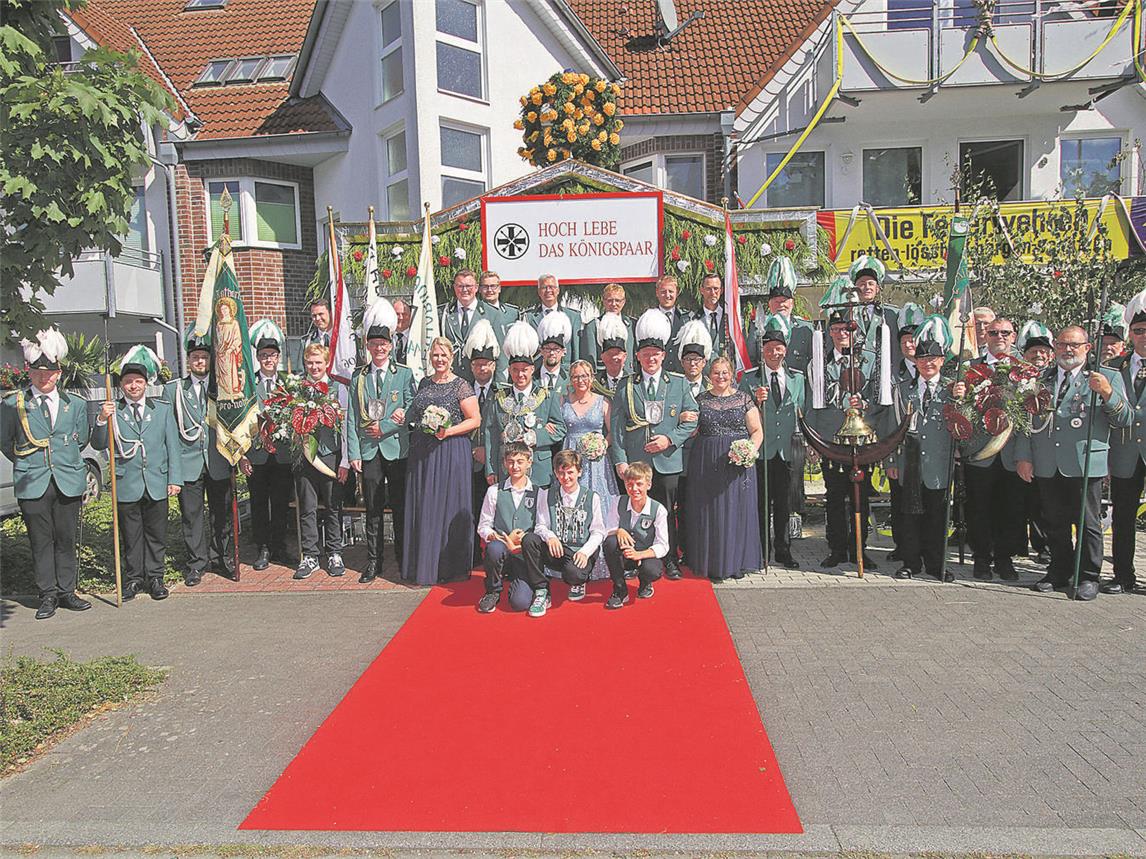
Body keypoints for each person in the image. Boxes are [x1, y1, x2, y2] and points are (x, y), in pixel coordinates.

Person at [1015, 325, 1130, 600]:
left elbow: (1124, 418)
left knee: (1088, 522)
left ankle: (1088, 575)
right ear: (1054, 347)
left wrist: (1106, 393)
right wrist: (1024, 456)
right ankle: (1059, 571)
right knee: (1054, 522)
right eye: (1063, 344)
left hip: (1084, 462)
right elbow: (1024, 422)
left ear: (1087, 348)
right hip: (1048, 461)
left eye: (1075, 345)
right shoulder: (1041, 378)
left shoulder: (1107, 377)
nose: (1068, 350)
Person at [0, 329, 92, 619]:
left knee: (66, 538)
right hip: (33, 480)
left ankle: (67, 591)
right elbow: (5, 441)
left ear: (59, 372)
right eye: (38, 372)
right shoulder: (13, 404)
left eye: (49, 372)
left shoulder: (74, 404)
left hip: (67, 479)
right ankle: (48, 595)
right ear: (29, 372)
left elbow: (82, 439)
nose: (44, 377)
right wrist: (27, 462)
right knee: (41, 541)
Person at [609, 308, 699, 580]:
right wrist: (621, 461)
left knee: (667, 512)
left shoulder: (679, 384)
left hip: (668, 461)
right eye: (645, 354)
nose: (651, 359)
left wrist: (669, 439)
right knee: (633, 512)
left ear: (663, 356)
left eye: (656, 354)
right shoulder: (626, 385)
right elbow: (616, 428)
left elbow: (692, 421)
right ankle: (633, 559)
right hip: (637, 463)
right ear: (637, 356)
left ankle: (669, 559)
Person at [92, 346, 182, 601]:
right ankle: (133, 579)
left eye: (138, 381)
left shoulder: (161, 409)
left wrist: (174, 479)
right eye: (129, 382)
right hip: (127, 482)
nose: (133, 386)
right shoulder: (113, 410)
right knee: (131, 536)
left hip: (155, 480)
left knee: (156, 534)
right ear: (122, 385)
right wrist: (101, 419)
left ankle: (155, 577)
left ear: (145, 384)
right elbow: (99, 443)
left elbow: (172, 445)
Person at [403, 336, 483, 585]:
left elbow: (475, 420)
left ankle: (448, 566)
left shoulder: (461, 385)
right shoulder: (425, 383)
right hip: (423, 452)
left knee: (446, 505)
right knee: (425, 504)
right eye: (435, 355)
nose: (439, 360)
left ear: (451, 358)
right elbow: (414, 413)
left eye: (443, 356)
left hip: (450, 451)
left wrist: (448, 430)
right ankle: (425, 565)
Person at [884, 317, 959, 582]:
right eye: (923, 359)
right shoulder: (903, 390)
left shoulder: (953, 391)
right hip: (909, 464)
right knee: (909, 517)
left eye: (933, 359)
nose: (928, 363)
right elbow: (893, 428)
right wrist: (890, 461)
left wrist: (962, 402)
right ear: (915, 362)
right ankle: (911, 562)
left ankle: (937, 564)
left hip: (939, 464)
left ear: (941, 361)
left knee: (938, 518)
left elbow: (962, 428)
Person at [348, 299, 415, 583]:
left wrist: (385, 426)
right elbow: (351, 416)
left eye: (383, 344)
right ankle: (374, 561)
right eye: (374, 344)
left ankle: (402, 559)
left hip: (396, 448)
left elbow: (412, 407)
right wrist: (353, 452)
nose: (379, 349)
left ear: (391, 345)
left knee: (399, 506)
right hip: (368, 450)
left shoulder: (404, 374)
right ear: (368, 347)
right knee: (372, 508)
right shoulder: (359, 377)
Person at [806, 308, 879, 569]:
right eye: (836, 330)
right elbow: (811, 402)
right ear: (830, 333)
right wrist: (811, 440)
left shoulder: (867, 362)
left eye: (846, 330)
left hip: (861, 441)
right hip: (831, 440)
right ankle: (836, 547)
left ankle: (860, 548)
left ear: (854, 332)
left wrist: (866, 403)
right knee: (835, 496)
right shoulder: (819, 363)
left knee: (861, 496)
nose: (841, 335)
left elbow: (880, 397)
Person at [686, 356, 764, 581]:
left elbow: (757, 430)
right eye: (716, 372)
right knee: (710, 511)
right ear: (709, 376)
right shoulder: (699, 399)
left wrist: (750, 449)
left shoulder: (744, 399)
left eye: (724, 372)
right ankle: (713, 563)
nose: (720, 377)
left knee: (736, 510)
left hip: (737, 463)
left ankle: (736, 562)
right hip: (707, 461)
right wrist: (684, 416)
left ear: (732, 374)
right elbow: (691, 429)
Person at [168, 327, 233, 584]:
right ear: (188, 360)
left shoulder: (223, 387)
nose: (199, 361)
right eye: (195, 357)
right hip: (188, 463)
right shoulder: (174, 391)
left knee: (222, 514)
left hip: (217, 460)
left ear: (210, 359)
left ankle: (221, 558)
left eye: (204, 357)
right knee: (192, 516)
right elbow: (171, 434)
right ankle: (197, 563)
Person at [962, 316, 1025, 581]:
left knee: (1010, 509)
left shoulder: (1026, 371)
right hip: (980, 452)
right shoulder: (971, 370)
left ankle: (1004, 558)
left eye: (1005, 333)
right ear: (985, 336)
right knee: (978, 508)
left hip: (1012, 453)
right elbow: (960, 410)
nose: (1000, 337)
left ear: (1014, 336)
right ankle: (981, 558)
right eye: (994, 332)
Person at [743, 314, 804, 569]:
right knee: (760, 504)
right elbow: (741, 414)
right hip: (762, 451)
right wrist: (755, 399)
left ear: (785, 350)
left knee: (783, 502)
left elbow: (802, 413)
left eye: (778, 349)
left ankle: (783, 549)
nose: (774, 353)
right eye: (769, 349)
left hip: (786, 451)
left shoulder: (797, 378)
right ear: (763, 351)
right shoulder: (750, 379)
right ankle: (762, 550)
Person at [522, 449, 608, 616]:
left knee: (573, 575)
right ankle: (541, 590)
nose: (566, 477)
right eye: (561, 473)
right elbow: (540, 525)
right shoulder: (547, 495)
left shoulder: (592, 497)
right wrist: (550, 537)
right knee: (529, 539)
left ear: (579, 472)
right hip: (557, 549)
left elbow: (598, 531)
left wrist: (585, 552)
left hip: (579, 551)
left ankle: (579, 580)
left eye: (570, 472)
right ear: (555, 473)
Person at [485, 322, 566, 489]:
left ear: (531, 369)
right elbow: (491, 434)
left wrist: (536, 436)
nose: (520, 374)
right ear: (509, 371)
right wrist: (491, 468)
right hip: (507, 469)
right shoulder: (500, 397)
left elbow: (560, 429)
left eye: (524, 370)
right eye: (515, 370)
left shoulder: (546, 396)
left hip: (538, 470)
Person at [292, 344, 348, 580]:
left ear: (326, 363)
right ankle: (311, 555)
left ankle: (335, 552)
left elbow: (346, 426)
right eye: (309, 363)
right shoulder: (296, 389)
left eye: (318, 363)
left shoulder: (338, 389)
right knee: (308, 507)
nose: (314, 367)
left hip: (329, 454)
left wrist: (345, 459)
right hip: (303, 456)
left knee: (333, 506)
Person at [239, 320, 293, 571]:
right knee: (259, 502)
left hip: (282, 455)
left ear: (278, 356)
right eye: (263, 355)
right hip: (258, 454)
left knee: (281, 502)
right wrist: (242, 455)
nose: (268, 359)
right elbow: (239, 422)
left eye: (271, 355)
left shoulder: (289, 382)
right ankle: (262, 548)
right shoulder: (248, 385)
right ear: (257, 358)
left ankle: (279, 547)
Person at [1106, 292, 1146, 595]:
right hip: (1123, 452)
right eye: (1138, 330)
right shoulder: (1113, 366)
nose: (1144, 336)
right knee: (1122, 517)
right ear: (1129, 333)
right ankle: (1123, 575)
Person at [561, 360, 616, 579]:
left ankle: (601, 560)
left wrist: (603, 443)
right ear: (570, 379)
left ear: (592, 377)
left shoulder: (604, 402)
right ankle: (571, 558)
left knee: (599, 506)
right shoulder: (562, 401)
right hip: (570, 459)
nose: (580, 380)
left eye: (584, 376)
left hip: (596, 464)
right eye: (576, 377)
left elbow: (612, 433)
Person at [475, 442, 537, 613]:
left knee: (520, 604)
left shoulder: (539, 492)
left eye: (520, 461)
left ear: (529, 462)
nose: (515, 466)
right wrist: (502, 538)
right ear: (504, 463)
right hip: (501, 548)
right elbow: (483, 526)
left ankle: (525, 581)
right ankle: (493, 590)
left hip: (524, 555)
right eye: (510, 462)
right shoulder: (494, 491)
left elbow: (541, 527)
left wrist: (523, 540)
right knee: (494, 548)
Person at [603, 461, 669, 608]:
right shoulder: (618, 501)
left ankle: (645, 582)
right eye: (629, 484)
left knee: (651, 570)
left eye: (639, 484)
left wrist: (640, 555)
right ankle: (620, 589)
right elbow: (606, 529)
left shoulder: (658, 510)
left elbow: (663, 546)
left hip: (645, 555)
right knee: (610, 542)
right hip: (624, 554)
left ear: (649, 485)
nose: (634, 489)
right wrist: (618, 530)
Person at [676, 320, 712, 567]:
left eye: (697, 360)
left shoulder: (713, 387)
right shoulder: (674, 386)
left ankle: (701, 550)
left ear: (704, 362)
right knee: (680, 506)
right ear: (682, 362)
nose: (692, 364)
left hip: (703, 455)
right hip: (678, 455)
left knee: (701, 506)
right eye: (688, 359)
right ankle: (682, 550)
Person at [1019, 320, 1054, 565]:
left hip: (1048, 450)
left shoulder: (1055, 378)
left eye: (1043, 351)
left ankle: (1045, 547)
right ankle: (1019, 544)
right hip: (1019, 449)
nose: (1038, 356)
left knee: (1046, 503)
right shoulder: (1015, 378)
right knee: (1023, 502)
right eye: (1033, 352)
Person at [466, 319, 500, 560]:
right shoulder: (462, 390)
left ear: (494, 365)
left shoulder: (502, 392)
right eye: (477, 364)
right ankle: (470, 555)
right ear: (471, 366)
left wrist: (488, 454)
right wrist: (471, 451)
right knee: (469, 508)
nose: (482, 369)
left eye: (486, 364)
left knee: (495, 511)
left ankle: (495, 554)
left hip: (493, 462)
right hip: (467, 461)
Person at [440, 269, 497, 380]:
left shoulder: (492, 313)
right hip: (451, 379)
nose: (465, 290)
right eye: (460, 286)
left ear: (476, 288)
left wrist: (499, 383)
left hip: (480, 381)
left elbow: (500, 354)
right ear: (454, 288)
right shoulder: (443, 313)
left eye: (468, 286)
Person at [524, 273, 582, 370]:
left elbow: (576, 348)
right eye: (544, 287)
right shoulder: (528, 317)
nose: (548, 290)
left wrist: (575, 370)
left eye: (552, 287)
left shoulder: (573, 317)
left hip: (565, 373)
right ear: (539, 292)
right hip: (537, 372)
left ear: (558, 290)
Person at [581, 284, 634, 373]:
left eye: (617, 300)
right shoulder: (593, 326)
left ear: (623, 302)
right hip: (603, 378)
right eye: (610, 300)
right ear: (603, 301)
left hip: (627, 377)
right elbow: (590, 360)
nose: (614, 304)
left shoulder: (631, 324)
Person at [652, 275, 690, 374]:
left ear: (677, 293)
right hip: (658, 373)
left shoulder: (687, 318)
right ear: (657, 293)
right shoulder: (649, 318)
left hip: (680, 374)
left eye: (671, 291)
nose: (667, 295)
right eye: (663, 292)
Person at [591, 312, 630, 396]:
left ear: (625, 356)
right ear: (602, 357)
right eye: (609, 354)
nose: (614, 357)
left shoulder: (633, 382)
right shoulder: (594, 384)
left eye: (618, 353)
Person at [694, 274, 730, 363]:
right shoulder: (693, 319)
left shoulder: (729, 317)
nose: (713, 293)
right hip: (702, 373)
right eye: (708, 289)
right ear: (701, 290)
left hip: (725, 373)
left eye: (716, 288)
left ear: (721, 290)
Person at [536, 311, 571, 396]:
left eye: (556, 349)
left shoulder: (570, 380)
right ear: (541, 351)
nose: (551, 353)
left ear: (563, 352)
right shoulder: (531, 379)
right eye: (547, 348)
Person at [392, 299, 413, 364]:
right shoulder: (385, 337)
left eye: (404, 314)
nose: (401, 318)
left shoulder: (417, 337)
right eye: (397, 314)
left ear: (410, 316)